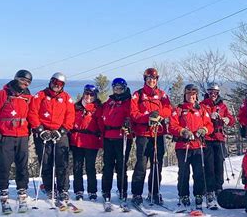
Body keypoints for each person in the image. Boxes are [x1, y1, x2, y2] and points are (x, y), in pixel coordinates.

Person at [0, 70, 33, 207]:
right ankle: (2, 188)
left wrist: (33, 129)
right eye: (23, 80)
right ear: (16, 79)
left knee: (22, 164)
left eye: (28, 82)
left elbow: (32, 114)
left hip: (23, 134)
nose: (25, 84)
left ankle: (22, 188)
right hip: (5, 135)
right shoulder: (2, 94)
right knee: (5, 164)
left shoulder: (28, 96)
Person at [28, 72, 75, 202]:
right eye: (55, 82)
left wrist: (62, 130)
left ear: (63, 86)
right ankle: (49, 187)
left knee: (62, 163)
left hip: (59, 134)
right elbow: (32, 112)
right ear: (50, 81)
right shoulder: (40, 95)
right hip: (43, 134)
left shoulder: (66, 98)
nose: (56, 86)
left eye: (60, 84)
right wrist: (40, 129)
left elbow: (70, 115)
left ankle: (63, 189)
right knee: (46, 162)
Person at [130, 68, 172, 206]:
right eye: (149, 79)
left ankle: (154, 192)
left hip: (157, 134)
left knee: (156, 164)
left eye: (154, 79)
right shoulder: (138, 95)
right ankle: (137, 193)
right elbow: (133, 113)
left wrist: (158, 115)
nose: (152, 81)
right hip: (143, 134)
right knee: (141, 165)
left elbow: (168, 109)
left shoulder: (162, 94)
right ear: (145, 80)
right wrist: (148, 117)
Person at [169, 84, 214, 211]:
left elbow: (209, 125)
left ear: (196, 96)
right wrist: (183, 131)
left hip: (198, 145)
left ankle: (199, 193)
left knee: (199, 172)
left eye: (193, 95)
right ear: (185, 95)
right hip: (183, 145)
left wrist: (204, 130)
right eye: (189, 94)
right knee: (184, 172)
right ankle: (183, 195)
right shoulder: (178, 109)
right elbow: (172, 126)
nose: (191, 97)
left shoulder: (202, 109)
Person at [199, 82, 235, 208]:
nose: (213, 95)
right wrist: (209, 118)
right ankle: (209, 189)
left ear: (218, 93)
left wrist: (227, 119)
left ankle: (218, 187)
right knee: (209, 164)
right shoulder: (203, 105)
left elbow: (231, 119)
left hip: (219, 138)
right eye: (210, 92)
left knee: (219, 162)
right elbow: (200, 119)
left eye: (215, 93)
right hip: (208, 138)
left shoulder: (222, 105)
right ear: (207, 93)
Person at [99, 78, 133, 206]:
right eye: (116, 88)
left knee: (121, 165)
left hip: (122, 136)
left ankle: (122, 190)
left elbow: (133, 115)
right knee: (108, 166)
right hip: (109, 136)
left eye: (120, 88)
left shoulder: (128, 101)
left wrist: (129, 123)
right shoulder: (110, 101)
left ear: (124, 88)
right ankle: (106, 190)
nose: (118, 90)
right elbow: (102, 117)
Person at [69, 84, 103, 201]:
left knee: (90, 167)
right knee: (77, 167)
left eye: (92, 94)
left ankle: (92, 191)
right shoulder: (76, 107)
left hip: (91, 141)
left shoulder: (98, 108)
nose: (89, 96)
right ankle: (78, 190)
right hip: (77, 140)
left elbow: (102, 125)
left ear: (95, 95)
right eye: (87, 93)